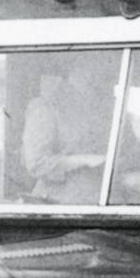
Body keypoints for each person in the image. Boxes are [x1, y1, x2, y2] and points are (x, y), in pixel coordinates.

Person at [21, 66, 116, 203]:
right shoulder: (45, 107)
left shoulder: (110, 111)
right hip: (60, 206)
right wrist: (84, 160)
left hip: (107, 201)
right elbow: (36, 163)